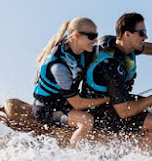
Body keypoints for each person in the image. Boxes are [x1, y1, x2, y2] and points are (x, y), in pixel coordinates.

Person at [83, 13, 152, 151]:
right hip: (99, 111)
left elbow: (147, 47)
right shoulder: (110, 66)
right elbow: (123, 111)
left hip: (114, 102)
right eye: (141, 33)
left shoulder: (115, 43)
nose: (145, 37)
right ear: (127, 34)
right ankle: (141, 160)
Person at [33, 17, 110, 147]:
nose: (95, 40)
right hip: (48, 110)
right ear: (76, 35)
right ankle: (72, 155)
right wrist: (107, 99)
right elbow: (78, 103)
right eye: (91, 36)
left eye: (96, 36)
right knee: (86, 120)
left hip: (64, 102)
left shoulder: (80, 50)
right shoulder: (59, 66)